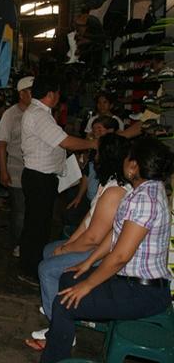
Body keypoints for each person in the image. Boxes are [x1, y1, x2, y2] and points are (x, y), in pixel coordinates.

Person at [41, 138, 173, 362]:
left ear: (133, 166)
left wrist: (87, 285)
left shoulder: (144, 200)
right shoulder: (145, 189)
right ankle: (63, 337)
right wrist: (87, 263)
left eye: (128, 157)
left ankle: (54, 356)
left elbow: (121, 256)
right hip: (130, 282)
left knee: (63, 304)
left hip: (143, 292)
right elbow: (116, 232)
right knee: (68, 278)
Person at [25, 133, 131, 350]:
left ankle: (62, 332)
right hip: (95, 246)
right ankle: (56, 306)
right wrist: (66, 245)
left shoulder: (116, 191)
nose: (95, 157)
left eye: (98, 152)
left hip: (103, 254)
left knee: (46, 269)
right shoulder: (108, 183)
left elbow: (94, 239)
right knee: (49, 250)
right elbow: (87, 222)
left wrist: (66, 249)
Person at [18, 76, 97, 286]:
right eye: (58, 93)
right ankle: (31, 270)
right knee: (37, 226)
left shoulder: (42, 114)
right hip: (39, 178)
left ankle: (30, 266)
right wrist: (94, 144)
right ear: (51, 94)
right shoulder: (38, 115)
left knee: (38, 223)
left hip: (41, 177)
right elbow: (66, 141)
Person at [0, 76, 33, 258]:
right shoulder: (10, 115)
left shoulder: (40, 112)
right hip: (17, 168)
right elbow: (2, 144)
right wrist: (3, 170)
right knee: (19, 209)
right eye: (31, 91)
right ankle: (18, 243)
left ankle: (29, 241)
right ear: (22, 94)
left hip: (36, 169)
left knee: (32, 208)